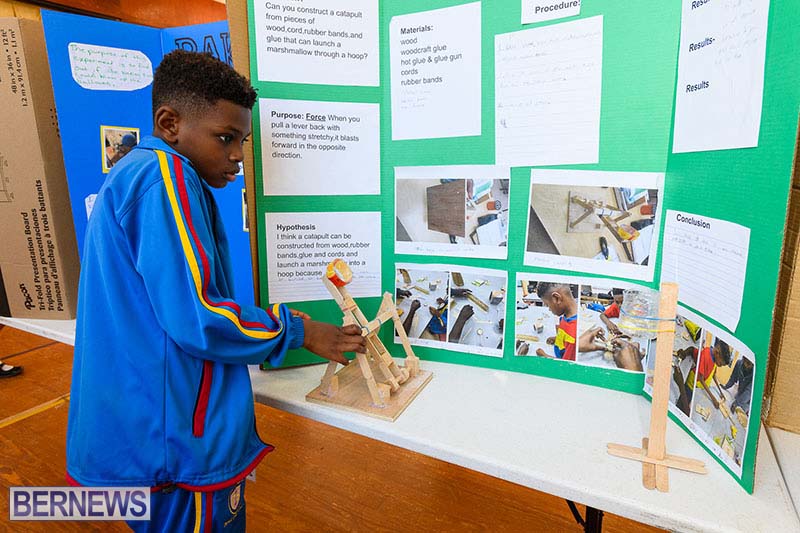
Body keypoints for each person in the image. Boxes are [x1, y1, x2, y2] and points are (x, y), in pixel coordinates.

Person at [66, 50, 366, 532]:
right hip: (176, 440)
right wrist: (297, 332)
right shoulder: (165, 177)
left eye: (242, 141)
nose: (238, 155)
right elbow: (199, 316)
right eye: (226, 138)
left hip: (142, 423)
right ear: (170, 124)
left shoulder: (133, 172)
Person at [534, 282, 579, 360]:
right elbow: (565, 335)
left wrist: (544, 355)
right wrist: (557, 338)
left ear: (556, 298)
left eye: (547, 305)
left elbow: (565, 364)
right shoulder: (566, 315)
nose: (549, 309)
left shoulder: (573, 335)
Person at [687, 338, 732, 409]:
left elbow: (713, 375)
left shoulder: (715, 360)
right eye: (720, 363)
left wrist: (721, 392)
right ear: (717, 353)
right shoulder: (706, 354)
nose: (720, 366)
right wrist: (713, 399)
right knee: (688, 403)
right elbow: (701, 378)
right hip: (692, 384)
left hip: (701, 387)